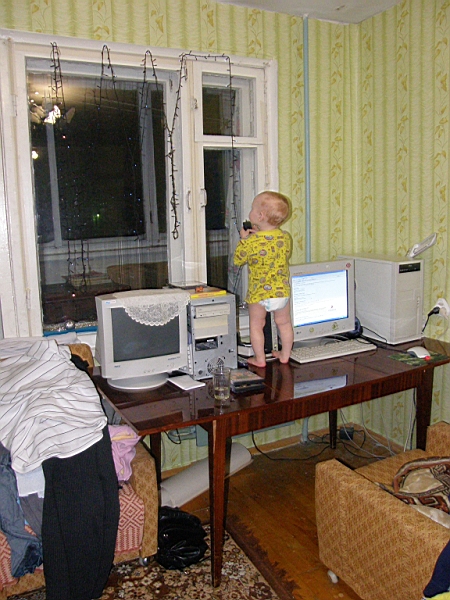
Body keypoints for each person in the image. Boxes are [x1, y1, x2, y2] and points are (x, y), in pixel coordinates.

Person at [234, 191, 293, 367]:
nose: (250, 212)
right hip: (281, 292)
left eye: (252, 208)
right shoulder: (285, 237)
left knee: (256, 325)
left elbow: (238, 260)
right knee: (284, 323)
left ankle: (260, 359)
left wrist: (244, 240)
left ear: (260, 216)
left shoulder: (251, 242)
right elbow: (281, 252)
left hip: (259, 293)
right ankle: (285, 355)